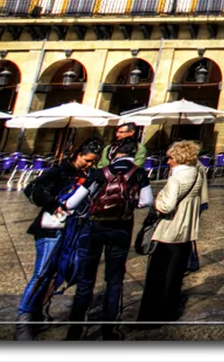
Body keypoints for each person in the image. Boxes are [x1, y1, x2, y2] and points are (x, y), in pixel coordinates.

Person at [16, 139, 103, 341]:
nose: (90, 165)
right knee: (42, 273)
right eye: (88, 160)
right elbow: (32, 189)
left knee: (56, 274)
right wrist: (53, 204)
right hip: (51, 227)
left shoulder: (87, 174)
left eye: (93, 162)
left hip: (72, 230)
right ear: (78, 154)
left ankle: (37, 313)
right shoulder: (60, 170)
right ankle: (23, 321)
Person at [66, 137, 153, 340]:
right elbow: (147, 201)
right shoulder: (139, 173)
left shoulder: (99, 173)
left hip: (94, 227)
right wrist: (130, 205)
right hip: (121, 229)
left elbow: (72, 203)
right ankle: (109, 329)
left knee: (85, 281)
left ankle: (75, 330)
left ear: (113, 152)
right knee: (114, 281)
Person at [135, 140, 208, 326]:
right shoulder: (197, 174)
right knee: (175, 273)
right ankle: (170, 309)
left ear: (179, 157)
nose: (168, 161)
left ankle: (153, 315)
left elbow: (166, 206)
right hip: (187, 230)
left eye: (171, 157)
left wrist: (157, 201)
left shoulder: (177, 177)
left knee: (160, 273)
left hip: (169, 230)